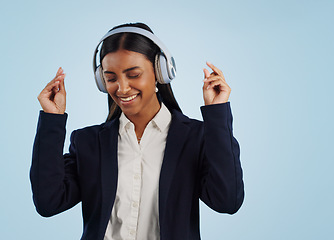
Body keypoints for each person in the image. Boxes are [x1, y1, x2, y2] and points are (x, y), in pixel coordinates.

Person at [31, 22, 244, 240]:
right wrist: (52, 119)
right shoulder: (88, 142)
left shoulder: (195, 138)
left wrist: (217, 115)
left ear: (160, 73)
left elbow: (226, 201)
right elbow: (49, 202)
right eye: (111, 78)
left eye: (133, 74)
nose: (121, 88)